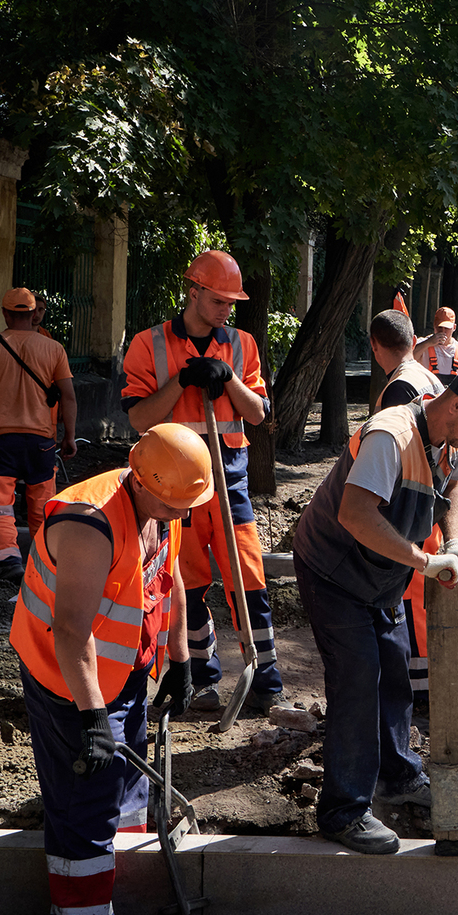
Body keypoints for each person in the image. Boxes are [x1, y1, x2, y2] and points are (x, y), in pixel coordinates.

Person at [291, 367, 458, 853]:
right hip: (333, 570)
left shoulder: (450, 440)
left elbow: (451, 487)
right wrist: (426, 561)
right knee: (358, 676)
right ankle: (344, 811)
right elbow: (355, 513)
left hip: (380, 577)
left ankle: (396, 774)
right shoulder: (391, 434)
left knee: (394, 670)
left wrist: (453, 540)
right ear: (457, 405)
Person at [11, 423, 214, 915]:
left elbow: (169, 576)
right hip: (67, 680)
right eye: (175, 507)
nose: (183, 517)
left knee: (125, 786)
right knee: (87, 795)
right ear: (143, 482)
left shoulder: (164, 499)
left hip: (125, 670)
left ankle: (119, 893)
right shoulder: (90, 523)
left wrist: (180, 657)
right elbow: (72, 631)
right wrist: (93, 717)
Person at [121, 250, 282, 715]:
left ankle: (266, 681)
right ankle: (201, 679)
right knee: (185, 585)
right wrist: (182, 381)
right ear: (192, 292)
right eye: (217, 300)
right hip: (174, 487)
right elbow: (138, 418)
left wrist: (227, 377)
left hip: (229, 478)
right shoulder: (148, 344)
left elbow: (257, 414)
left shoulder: (241, 344)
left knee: (249, 581)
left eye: (231, 303)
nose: (225, 310)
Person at [0, 287, 79, 585]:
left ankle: (8, 562)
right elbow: (68, 397)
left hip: (0, 439)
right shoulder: (53, 349)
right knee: (43, 502)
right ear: (31, 313)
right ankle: (45, 564)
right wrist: (69, 437)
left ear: (5, 313)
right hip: (40, 440)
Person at [370, 309, 447, 714]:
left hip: (408, 515)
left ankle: (418, 692)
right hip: (428, 507)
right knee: (418, 604)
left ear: (374, 345)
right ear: (414, 337)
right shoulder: (428, 378)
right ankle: (422, 685)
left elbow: (389, 462)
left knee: (412, 603)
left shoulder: (398, 389)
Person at [418, 307, 458, 383]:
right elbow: (406, 361)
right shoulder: (422, 343)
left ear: (454, 327)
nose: (442, 331)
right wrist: (428, 343)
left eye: (447, 328)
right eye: (439, 327)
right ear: (434, 325)